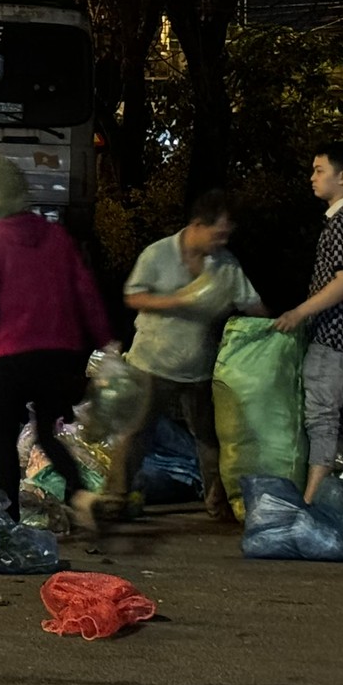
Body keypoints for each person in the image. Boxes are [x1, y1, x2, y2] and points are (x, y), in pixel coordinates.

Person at [0, 158, 116, 536]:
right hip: (58, 356)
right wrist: (106, 342)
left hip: (12, 355)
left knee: (4, 442)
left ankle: (9, 527)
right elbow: (86, 292)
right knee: (48, 434)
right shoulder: (56, 236)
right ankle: (82, 496)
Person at [105, 189, 269, 522]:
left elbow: (251, 303)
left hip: (199, 366)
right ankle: (114, 500)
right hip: (152, 361)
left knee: (211, 438)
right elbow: (133, 296)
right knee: (135, 433)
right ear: (197, 225)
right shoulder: (158, 254)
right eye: (217, 234)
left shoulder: (224, 264)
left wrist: (279, 328)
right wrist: (175, 301)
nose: (222, 241)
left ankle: (219, 505)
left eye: (227, 235)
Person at [273, 141, 343, 503]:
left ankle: (311, 501)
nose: (312, 177)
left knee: (321, 418)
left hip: (335, 337)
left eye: (320, 170)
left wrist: (300, 312)